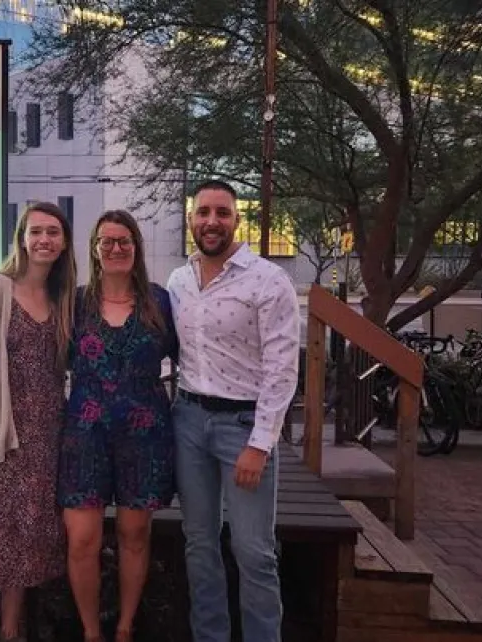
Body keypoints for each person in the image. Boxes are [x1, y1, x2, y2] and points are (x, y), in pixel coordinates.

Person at [166, 180, 300, 642]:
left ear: (236, 220)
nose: (211, 222)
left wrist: (261, 444)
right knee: (199, 545)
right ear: (191, 219)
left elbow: (282, 370)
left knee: (254, 551)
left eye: (222, 213)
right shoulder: (179, 280)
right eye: (203, 212)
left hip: (242, 428)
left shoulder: (268, 280)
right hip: (187, 421)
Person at [0, 201, 77, 642]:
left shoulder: (61, 297)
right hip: (4, 438)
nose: (44, 239)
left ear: (63, 243)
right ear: (21, 238)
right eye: (36, 231)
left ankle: (10, 632)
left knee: (26, 544)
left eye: (53, 232)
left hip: (46, 440)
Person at [58, 210, 178, 642]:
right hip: (84, 438)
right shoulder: (73, 303)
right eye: (106, 241)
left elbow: (191, 361)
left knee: (134, 534)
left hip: (144, 438)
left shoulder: (160, 302)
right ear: (94, 249)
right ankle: (91, 632)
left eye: (124, 240)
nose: (116, 248)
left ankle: (125, 627)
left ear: (137, 248)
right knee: (83, 540)